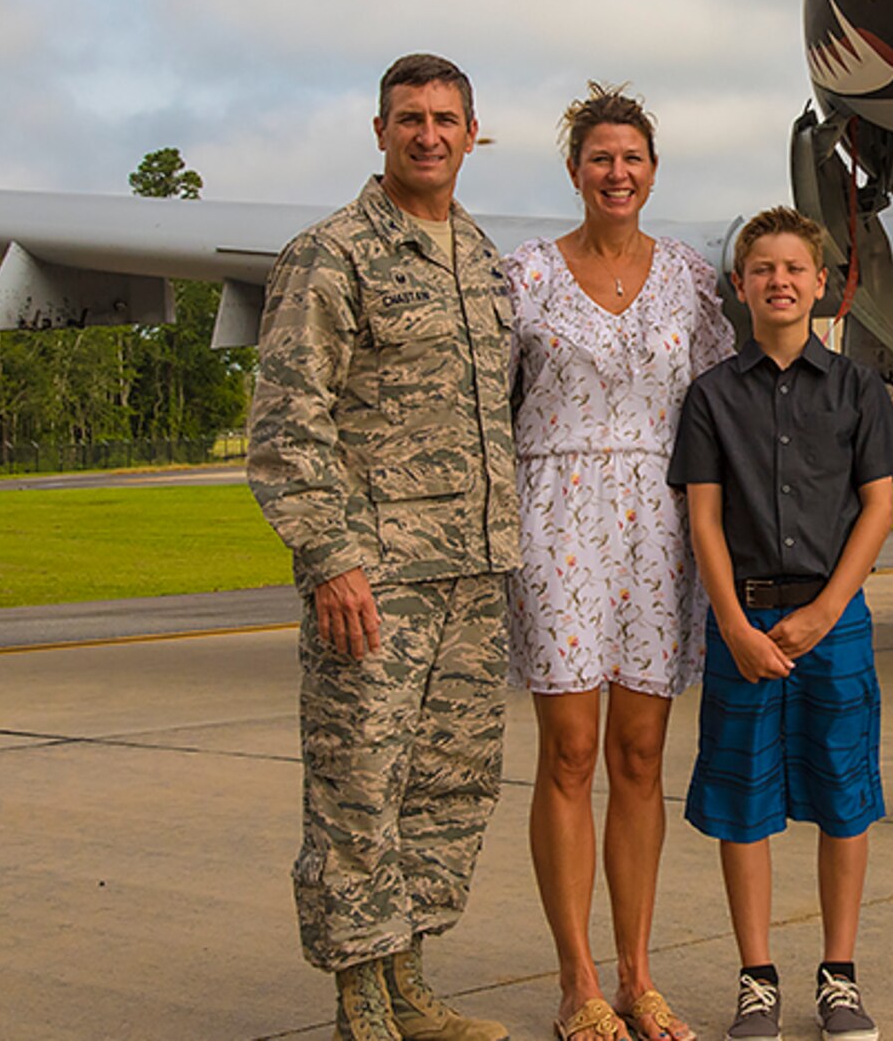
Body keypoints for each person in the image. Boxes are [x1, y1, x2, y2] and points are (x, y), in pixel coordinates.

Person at [248, 53, 518, 1041]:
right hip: (377, 579)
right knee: (357, 785)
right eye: (410, 117)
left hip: (474, 575)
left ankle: (410, 980)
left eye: (447, 118)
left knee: (447, 783)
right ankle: (358, 998)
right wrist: (331, 558)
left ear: (471, 132)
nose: (429, 134)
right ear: (379, 131)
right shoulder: (332, 254)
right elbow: (286, 424)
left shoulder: (482, 257)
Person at [504, 85, 734, 1041]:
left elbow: (724, 400)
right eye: (599, 157)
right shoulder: (524, 274)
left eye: (631, 157)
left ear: (651, 169)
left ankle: (639, 976)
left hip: (658, 522)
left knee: (642, 754)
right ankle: (578, 980)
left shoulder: (687, 275)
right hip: (555, 513)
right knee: (570, 751)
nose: (616, 172)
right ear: (575, 171)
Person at [666, 207, 893, 1041]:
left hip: (831, 617)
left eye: (794, 268)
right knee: (744, 799)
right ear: (740, 287)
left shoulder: (858, 389)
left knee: (844, 795)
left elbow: (877, 506)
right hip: (744, 617)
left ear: (822, 284)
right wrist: (733, 623)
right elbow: (703, 518)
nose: (779, 280)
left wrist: (827, 609)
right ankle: (757, 977)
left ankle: (839, 976)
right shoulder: (709, 396)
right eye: (762, 269)